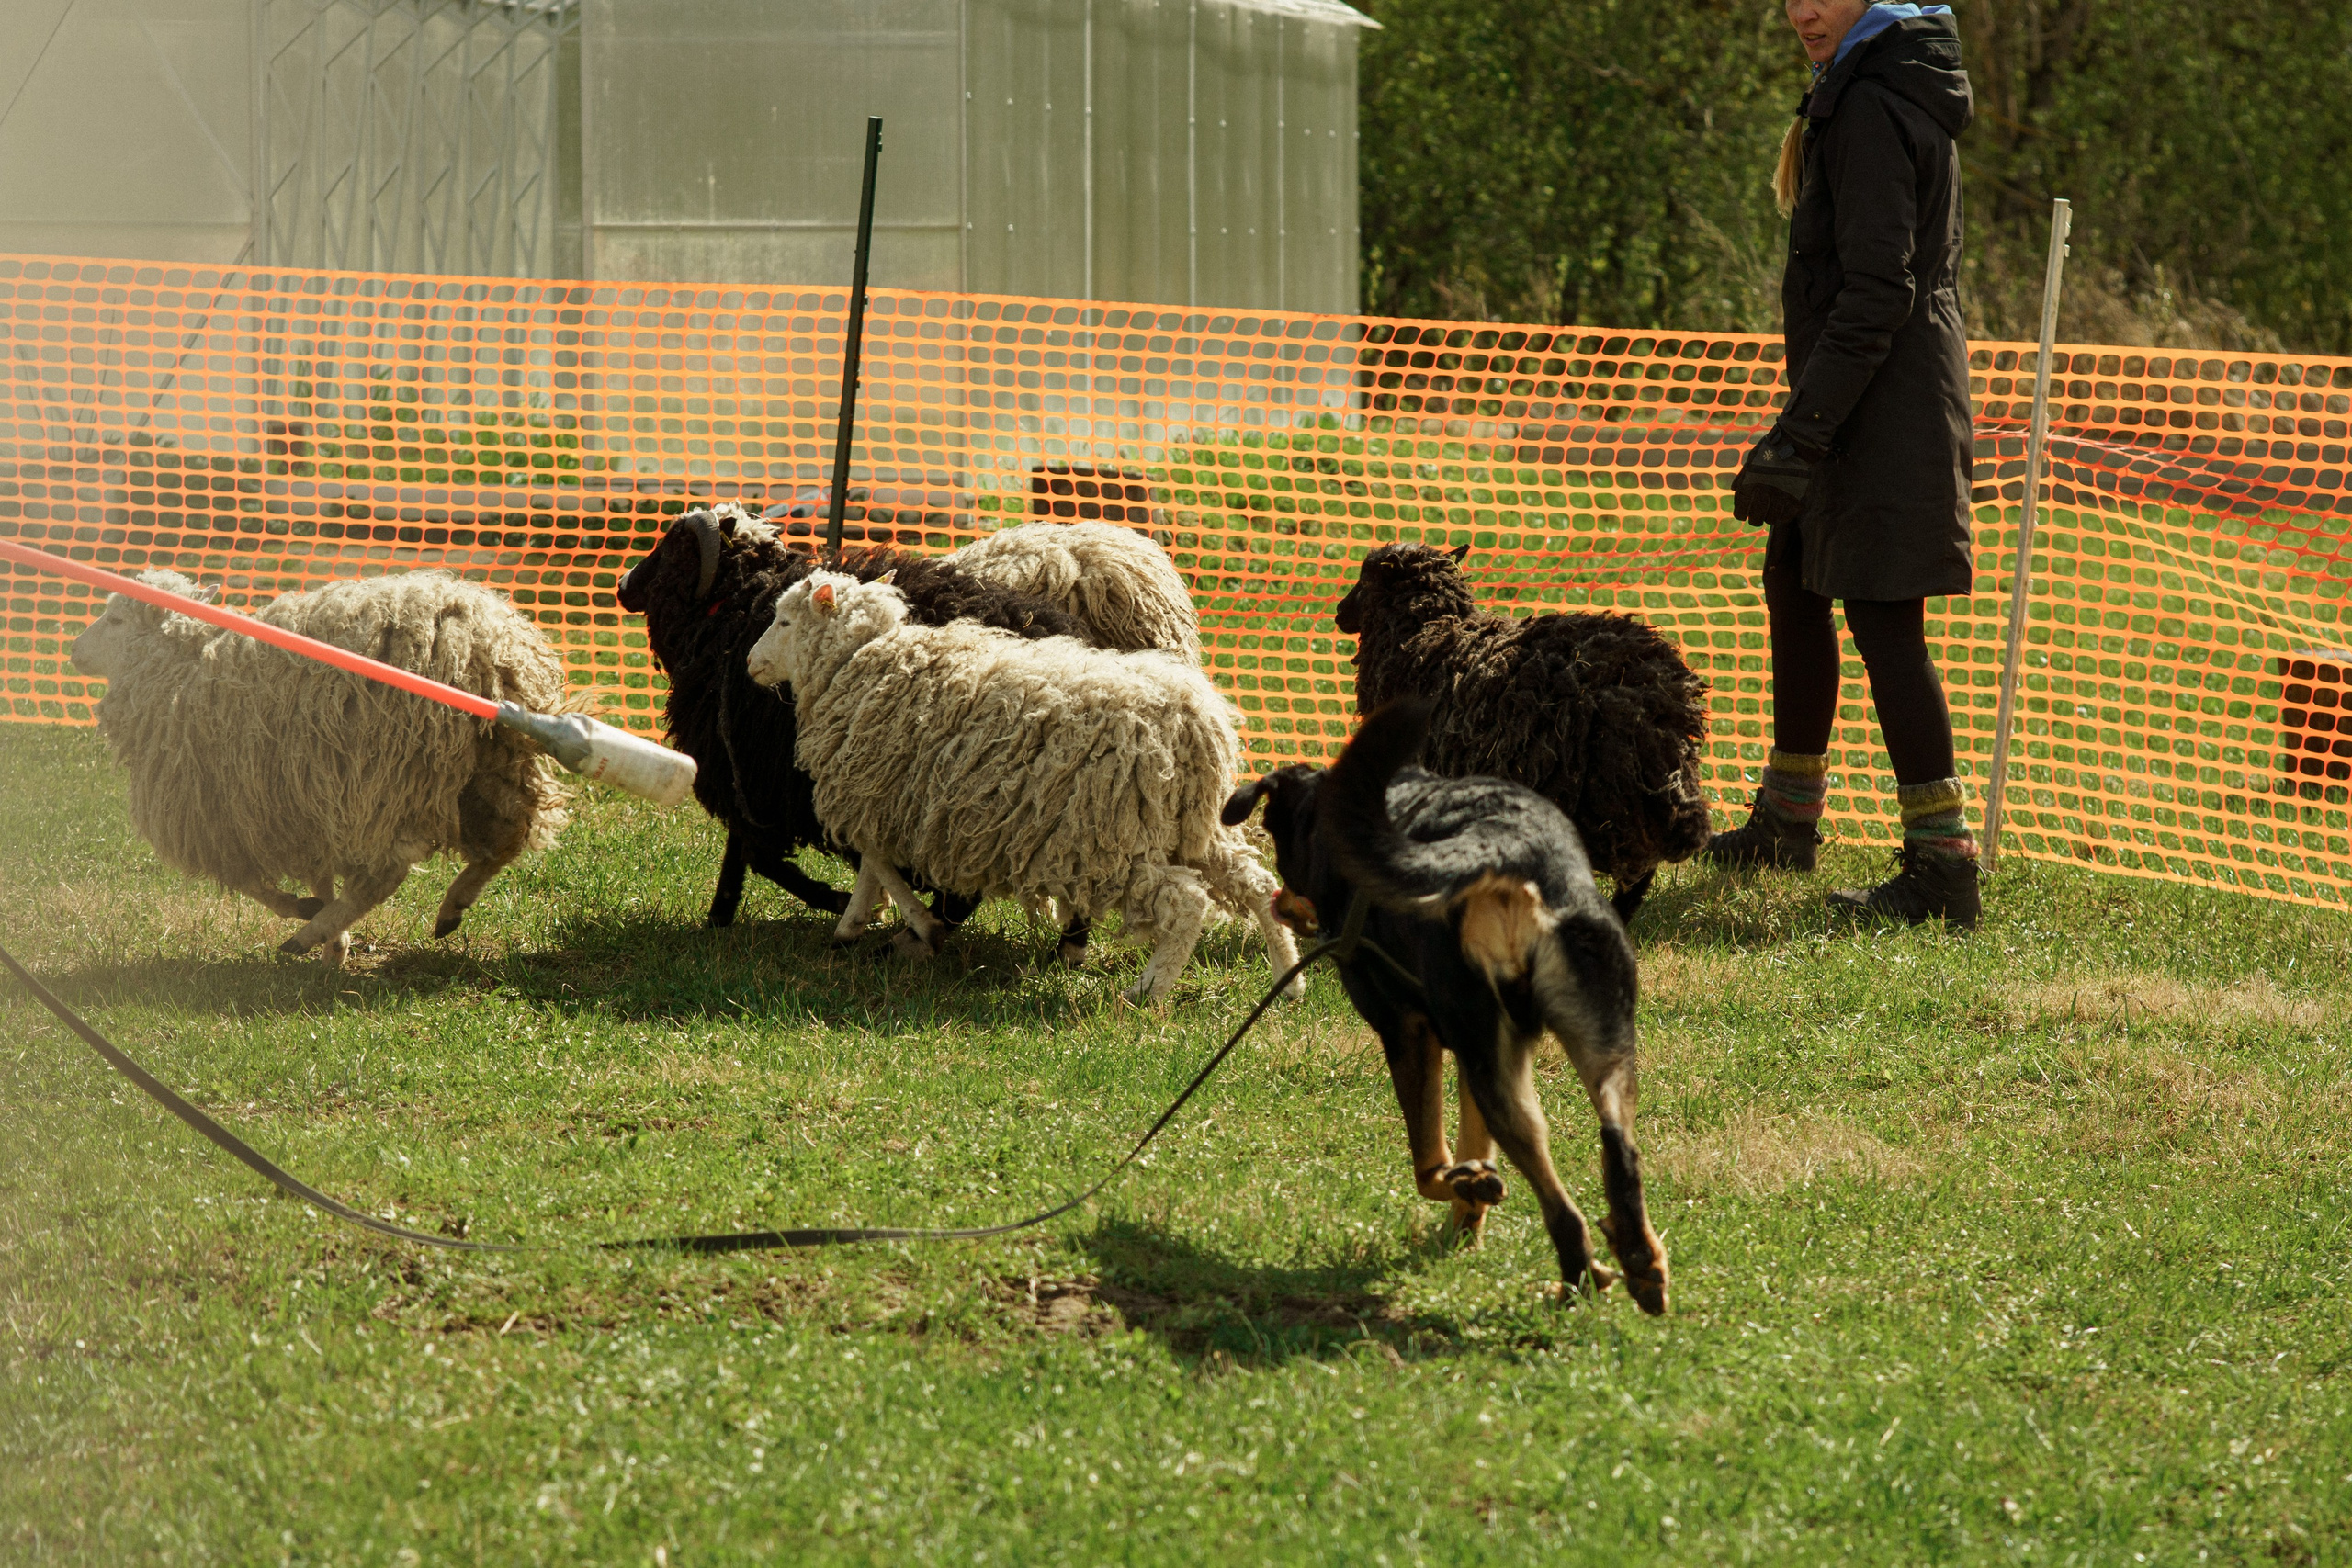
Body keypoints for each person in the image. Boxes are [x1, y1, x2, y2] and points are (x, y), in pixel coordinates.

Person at [1712, 0, 1982, 930]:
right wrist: (1807, 425)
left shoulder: (1871, 104)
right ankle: (1786, 819)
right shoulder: (1863, 86)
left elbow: (1878, 289)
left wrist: (1802, 431)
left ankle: (1943, 866)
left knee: (1882, 618)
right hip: (1861, 389)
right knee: (1793, 579)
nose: (1801, 10)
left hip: (1888, 401)